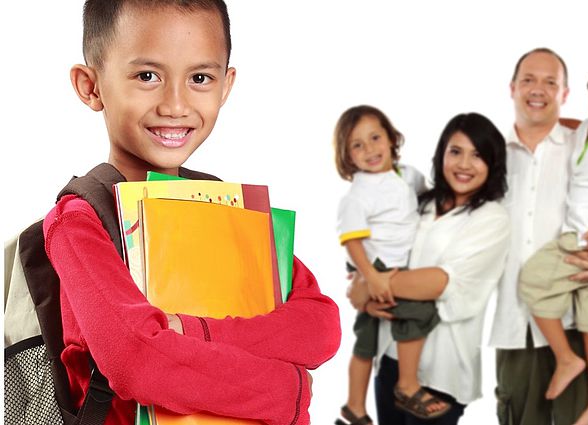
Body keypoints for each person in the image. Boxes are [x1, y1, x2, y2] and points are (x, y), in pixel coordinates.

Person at [43, 1, 340, 424]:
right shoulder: (78, 221)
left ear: (226, 85)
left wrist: (189, 331)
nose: (176, 105)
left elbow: (319, 327)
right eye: (147, 76)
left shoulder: (227, 206)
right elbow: (139, 362)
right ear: (91, 86)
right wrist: (287, 391)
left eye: (200, 78)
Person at [490, 48, 588, 425]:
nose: (537, 89)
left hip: (580, 322)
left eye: (551, 82)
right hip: (516, 328)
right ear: (512, 87)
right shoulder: (488, 154)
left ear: (565, 93)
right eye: (528, 79)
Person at [349, 112, 510, 424]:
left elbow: (440, 282)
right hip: (391, 355)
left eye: (477, 155)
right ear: (442, 155)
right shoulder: (420, 202)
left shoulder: (492, 219)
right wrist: (364, 287)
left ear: (493, 163)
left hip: (442, 371)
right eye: (456, 151)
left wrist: (367, 285)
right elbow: (384, 249)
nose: (464, 164)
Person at [332, 105, 448, 425]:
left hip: (401, 267)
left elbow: (428, 203)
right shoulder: (358, 194)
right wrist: (371, 278)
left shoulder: (407, 175)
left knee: (368, 342)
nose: (369, 149)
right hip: (378, 268)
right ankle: (403, 387)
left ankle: (355, 408)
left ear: (390, 138)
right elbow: (352, 241)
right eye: (357, 145)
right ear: (347, 155)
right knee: (415, 316)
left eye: (375, 138)